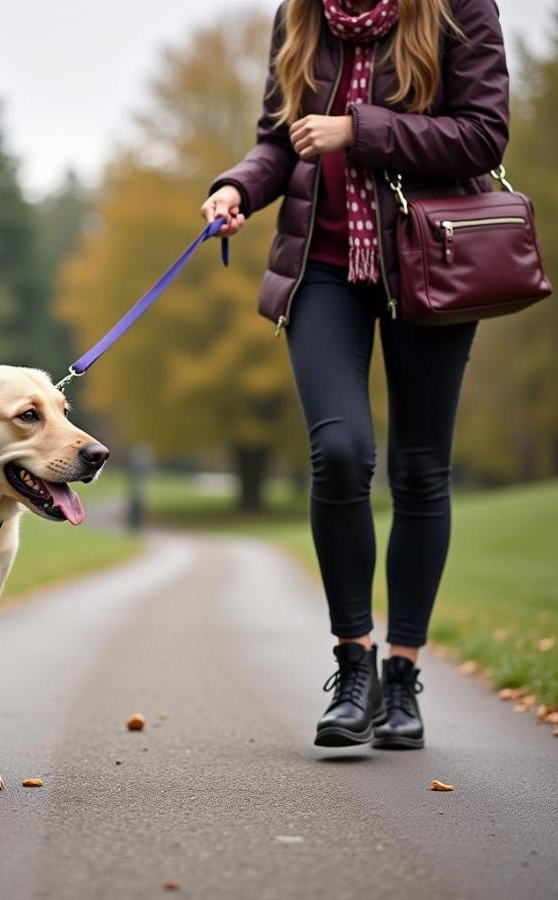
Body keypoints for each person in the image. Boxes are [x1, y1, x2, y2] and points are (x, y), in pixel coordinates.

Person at [201, 0, 508, 749]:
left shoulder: (460, 8)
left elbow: (483, 135)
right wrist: (239, 186)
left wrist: (358, 130)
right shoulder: (301, 15)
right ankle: (354, 663)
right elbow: (281, 141)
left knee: (419, 471)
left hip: (431, 261)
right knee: (339, 453)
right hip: (325, 270)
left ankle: (402, 677)